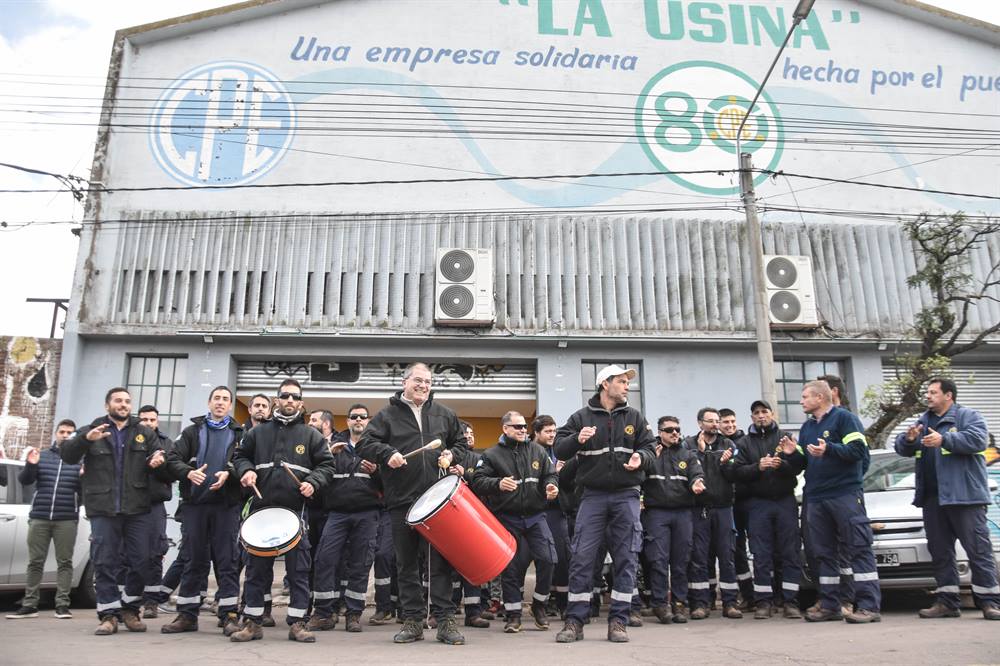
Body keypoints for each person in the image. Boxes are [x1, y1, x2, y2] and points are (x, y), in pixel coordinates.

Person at [357, 362, 470, 645]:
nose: (423, 386)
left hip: (437, 502)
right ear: (405, 381)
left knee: (440, 563)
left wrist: (451, 456)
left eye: (428, 382)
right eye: (418, 380)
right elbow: (364, 444)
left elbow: (461, 445)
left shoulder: (445, 414)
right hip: (402, 501)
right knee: (406, 564)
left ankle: (445, 620)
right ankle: (413, 621)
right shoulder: (387, 416)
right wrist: (387, 453)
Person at [553, 364, 656, 643]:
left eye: (627, 382)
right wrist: (577, 439)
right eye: (621, 381)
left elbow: (649, 448)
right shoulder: (581, 417)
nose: (627, 386)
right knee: (582, 559)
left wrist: (641, 459)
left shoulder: (634, 417)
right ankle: (575, 621)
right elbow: (559, 448)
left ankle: (619, 622)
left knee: (626, 558)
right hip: (592, 497)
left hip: (627, 495)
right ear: (604, 384)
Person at [231, 379, 335, 643]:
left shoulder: (311, 435)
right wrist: (246, 471)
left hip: (295, 512)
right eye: (285, 396)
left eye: (295, 397)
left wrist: (313, 482)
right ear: (277, 400)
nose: (290, 401)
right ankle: (253, 622)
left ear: (301, 403)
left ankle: (298, 622)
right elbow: (240, 457)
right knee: (256, 570)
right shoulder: (258, 433)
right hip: (261, 512)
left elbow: (327, 466)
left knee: (299, 571)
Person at [60, 387, 169, 635]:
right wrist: (85, 439)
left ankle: (130, 608)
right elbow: (67, 455)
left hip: (137, 508)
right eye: (118, 401)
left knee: (142, 561)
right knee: (105, 561)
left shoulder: (142, 431)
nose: (123, 405)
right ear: (107, 405)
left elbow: (162, 467)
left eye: (127, 401)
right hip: (103, 509)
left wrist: (157, 464)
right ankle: (108, 615)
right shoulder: (93, 429)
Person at [895, 377, 1000, 620]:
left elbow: (977, 441)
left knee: (978, 551)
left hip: (965, 498)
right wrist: (909, 439)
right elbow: (902, 448)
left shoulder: (967, 416)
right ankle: (947, 602)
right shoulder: (923, 420)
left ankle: (990, 602)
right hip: (934, 498)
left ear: (948, 395)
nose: (928, 396)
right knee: (940, 552)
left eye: (933, 392)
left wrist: (945, 439)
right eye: (927, 392)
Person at [785, 380, 880, 624]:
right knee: (823, 553)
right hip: (816, 497)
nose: (801, 401)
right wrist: (792, 454)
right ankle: (830, 605)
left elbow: (858, 451)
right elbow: (804, 464)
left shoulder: (844, 419)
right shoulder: (807, 427)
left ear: (820, 397)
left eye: (805, 396)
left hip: (844, 494)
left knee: (858, 548)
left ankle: (869, 606)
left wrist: (830, 449)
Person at [160, 386, 244, 636]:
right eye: (216, 398)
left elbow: (248, 463)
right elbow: (172, 459)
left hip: (226, 507)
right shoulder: (191, 432)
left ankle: (228, 615)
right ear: (209, 403)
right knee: (193, 560)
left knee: (227, 561)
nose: (220, 403)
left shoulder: (241, 434)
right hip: (195, 506)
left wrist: (230, 474)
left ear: (230, 405)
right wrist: (188, 472)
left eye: (225, 399)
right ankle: (187, 615)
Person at [472, 411, 559, 633]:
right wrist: (498, 484)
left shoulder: (538, 451)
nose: (523, 430)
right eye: (517, 426)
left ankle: (539, 605)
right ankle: (513, 615)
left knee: (548, 558)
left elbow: (550, 474)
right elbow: (478, 481)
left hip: (536, 516)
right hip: (507, 518)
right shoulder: (491, 455)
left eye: (524, 427)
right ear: (505, 429)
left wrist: (551, 485)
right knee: (511, 569)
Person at [308, 405, 382, 633]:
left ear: (368, 421)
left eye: (362, 416)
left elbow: (390, 485)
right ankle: (323, 613)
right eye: (353, 417)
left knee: (360, 564)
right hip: (337, 514)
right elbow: (316, 473)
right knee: (325, 560)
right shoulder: (333, 447)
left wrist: (377, 472)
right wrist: (329, 454)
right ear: (347, 421)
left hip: (367, 514)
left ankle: (353, 614)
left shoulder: (376, 447)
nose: (358, 420)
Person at [733, 400, 805, 619]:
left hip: (784, 501)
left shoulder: (786, 437)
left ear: (772, 413)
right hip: (758, 504)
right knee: (761, 553)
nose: (761, 416)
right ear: (752, 417)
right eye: (756, 413)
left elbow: (801, 464)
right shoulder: (744, 443)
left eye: (764, 412)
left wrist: (783, 463)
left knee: (789, 551)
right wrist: (758, 467)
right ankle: (764, 601)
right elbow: (735, 471)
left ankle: (790, 601)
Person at [6, 420, 81, 620]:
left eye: (70, 433)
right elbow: (25, 481)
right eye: (62, 431)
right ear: (56, 433)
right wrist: (31, 465)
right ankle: (30, 604)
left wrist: (84, 477)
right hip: (39, 516)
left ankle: (62, 605)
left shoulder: (80, 461)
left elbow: (85, 492)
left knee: (64, 562)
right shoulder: (43, 456)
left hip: (66, 519)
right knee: (35, 562)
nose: (65, 435)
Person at [640, 416, 704, 624]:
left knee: (680, 561)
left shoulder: (688, 454)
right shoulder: (651, 454)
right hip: (657, 514)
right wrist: (649, 461)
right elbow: (638, 478)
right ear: (660, 433)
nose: (675, 433)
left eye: (677, 429)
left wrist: (697, 484)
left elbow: (696, 473)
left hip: (683, 513)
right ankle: (660, 604)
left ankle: (679, 604)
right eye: (669, 430)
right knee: (658, 560)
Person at [684, 407, 741, 620]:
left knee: (727, 556)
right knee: (699, 557)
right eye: (710, 421)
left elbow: (735, 474)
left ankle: (730, 603)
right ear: (700, 423)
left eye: (717, 421)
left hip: (724, 507)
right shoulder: (688, 445)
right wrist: (701, 452)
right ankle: (701, 603)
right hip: (699, 509)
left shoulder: (729, 445)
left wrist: (726, 464)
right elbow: (691, 471)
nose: (715, 425)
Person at [134, 405, 173, 619]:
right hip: (132, 505)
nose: (148, 423)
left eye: (152, 420)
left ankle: (151, 602)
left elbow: (174, 472)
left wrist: (160, 466)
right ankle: (128, 602)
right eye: (144, 420)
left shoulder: (166, 444)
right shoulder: (131, 441)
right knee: (129, 554)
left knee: (155, 553)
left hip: (155, 504)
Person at [533, 414, 570, 617]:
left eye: (554, 431)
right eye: (548, 431)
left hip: (558, 511)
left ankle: (563, 603)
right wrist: (553, 472)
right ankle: (541, 603)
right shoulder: (530, 451)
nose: (552, 435)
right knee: (542, 559)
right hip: (537, 510)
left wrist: (561, 474)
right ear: (536, 433)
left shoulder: (560, 451)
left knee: (562, 558)